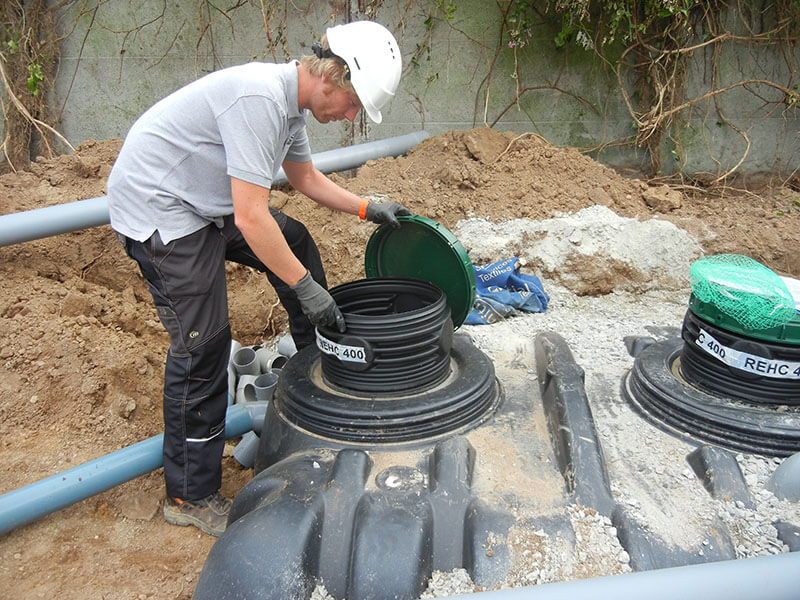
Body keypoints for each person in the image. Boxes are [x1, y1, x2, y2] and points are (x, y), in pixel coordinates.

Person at [106, 20, 411, 537]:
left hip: (203, 201)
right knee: (204, 343)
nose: (352, 115)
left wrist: (366, 207)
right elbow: (250, 216)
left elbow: (305, 178)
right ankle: (190, 493)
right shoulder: (259, 100)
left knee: (294, 242)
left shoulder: (291, 105)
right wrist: (306, 289)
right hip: (162, 208)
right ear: (333, 77)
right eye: (355, 103)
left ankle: (319, 365)